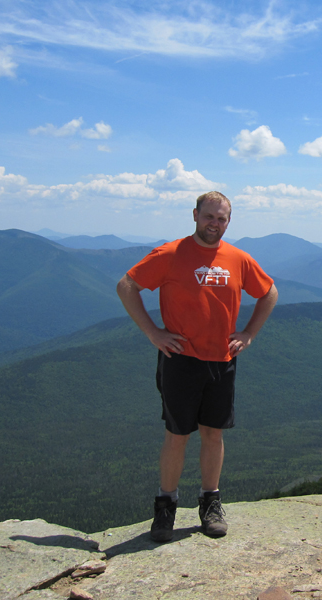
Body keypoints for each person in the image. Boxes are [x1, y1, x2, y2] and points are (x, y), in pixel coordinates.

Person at [117, 191, 278, 542]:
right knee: (177, 435)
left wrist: (249, 333)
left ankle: (210, 502)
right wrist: (153, 333)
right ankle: (166, 507)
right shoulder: (171, 253)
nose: (215, 224)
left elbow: (268, 293)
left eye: (221, 219)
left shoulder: (238, 258)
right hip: (181, 360)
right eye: (209, 216)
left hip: (221, 359)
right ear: (194, 215)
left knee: (213, 433)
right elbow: (127, 285)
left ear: (229, 222)